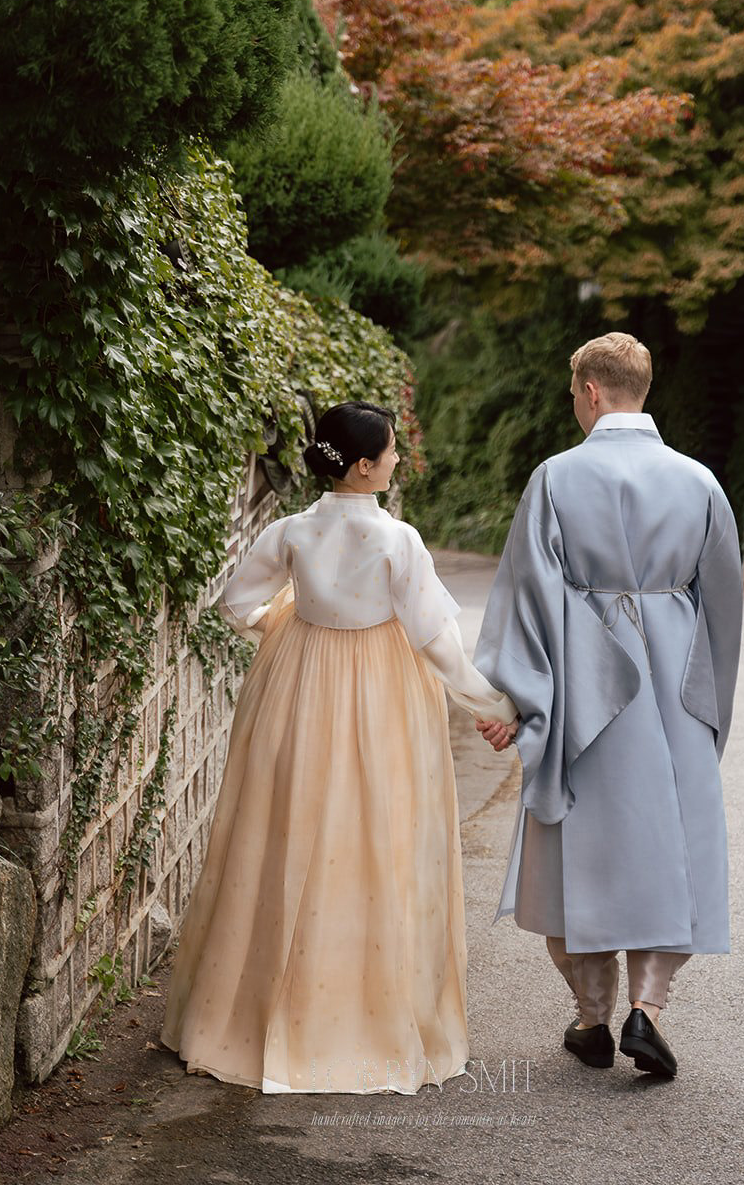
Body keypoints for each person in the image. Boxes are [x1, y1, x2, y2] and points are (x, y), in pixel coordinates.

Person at [160, 400, 517, 1095]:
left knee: (281, 834)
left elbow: (235, 607)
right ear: (362, 466)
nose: (395, 462)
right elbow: (437, 646)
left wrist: (288, 624)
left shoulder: (290, 530)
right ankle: (369, 1015)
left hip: (295, 689)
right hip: (382, 699)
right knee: (377, 839)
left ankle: (259, 1015)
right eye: (389, 453)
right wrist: (494, 706)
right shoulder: (397, 541)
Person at [473, 333, 742, 1079]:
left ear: (591, 391)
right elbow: (722, 604)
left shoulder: (557, 478)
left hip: (583, 678)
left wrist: (518, 701)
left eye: (571, 392)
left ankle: (591, 1016)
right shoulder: (698, 482)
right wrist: (707, 705)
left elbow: (527, 598)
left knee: (577, 846)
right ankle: (646, 1010)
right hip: (676, 677)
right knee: (673, 843)